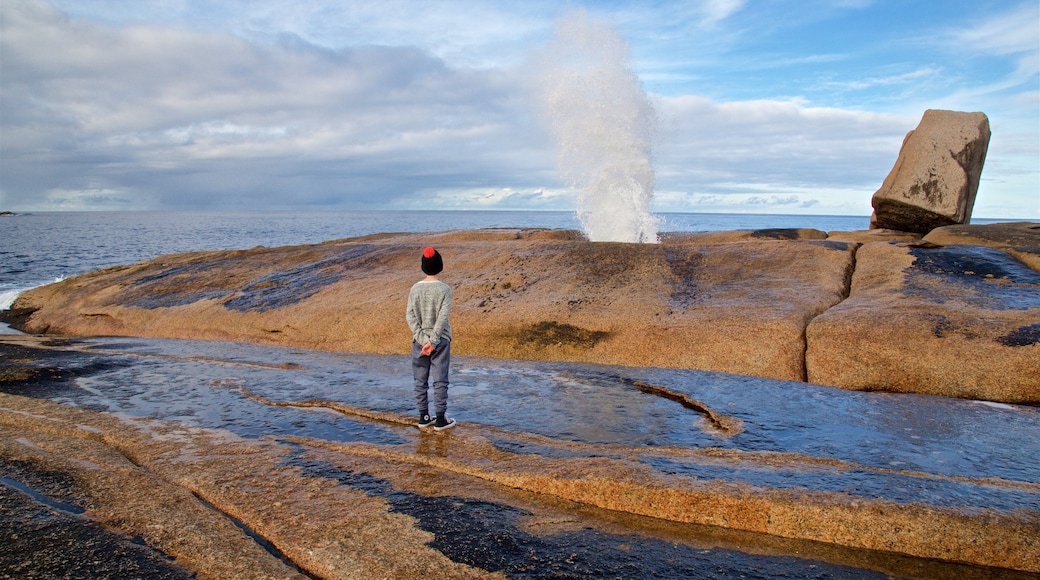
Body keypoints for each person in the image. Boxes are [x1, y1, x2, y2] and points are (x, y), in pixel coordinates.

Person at [406, 246, 456, 431]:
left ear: (423, 266)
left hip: (419, 342)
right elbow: (442, 318)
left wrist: (422, 340)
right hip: (440, 341)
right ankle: (441, 418)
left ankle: (424, 416)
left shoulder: (415, 289)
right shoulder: (445, 289)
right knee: (440, 379)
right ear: (440, 265)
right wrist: (433, 342)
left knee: (420, 380)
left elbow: (410, 316)